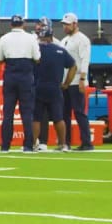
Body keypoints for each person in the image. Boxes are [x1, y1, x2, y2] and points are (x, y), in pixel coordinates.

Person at [0, 15, 40, 153]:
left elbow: (0, 59)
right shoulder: (31, 38)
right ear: (23, 24)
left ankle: (5, 145)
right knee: (26, 112)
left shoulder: (4, 38)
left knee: (8, 112)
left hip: (10, 73)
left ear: (11, 25)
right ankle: (28, 145)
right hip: (26, 74)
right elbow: (37, 58)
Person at [32, 20, 76, 153]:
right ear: (51, 36)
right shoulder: (60, 50)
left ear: (40, 36)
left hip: (38, 87)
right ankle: (63, 144)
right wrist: (67, 83)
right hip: (55, 88)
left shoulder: (36, 50)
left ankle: (33, 144)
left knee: (36, 117)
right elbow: (73, 66)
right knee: (58, 118)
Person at [59, 13, 94, 151]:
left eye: (67, 24)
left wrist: (82, 79)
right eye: (64, 24)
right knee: (64, 113)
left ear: (75, 24)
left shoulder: (82, 40)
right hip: (66, 82)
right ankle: (65, 143)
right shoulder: (64, 40)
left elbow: (85, 60)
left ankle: (86, 142)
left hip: (77, 80)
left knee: (79, 112)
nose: (65, 27)